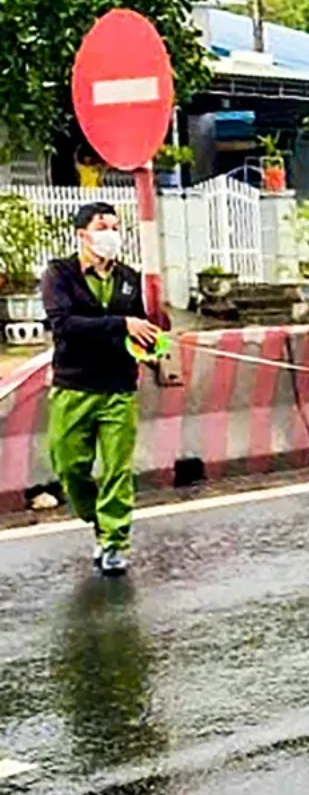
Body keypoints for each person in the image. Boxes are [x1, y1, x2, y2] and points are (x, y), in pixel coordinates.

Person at [42, 202, 160, 576]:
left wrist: (149, 342)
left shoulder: (128, 277)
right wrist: (120, 324)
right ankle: (98, 519)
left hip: (118, 387)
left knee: (116, 469)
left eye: (114, 226)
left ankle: (114, 541)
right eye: (102, 226)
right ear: (82, 234)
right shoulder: (59, 274)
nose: (111, 233)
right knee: (70, 467)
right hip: (74, 386)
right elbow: (64, 324)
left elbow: (137, 323)